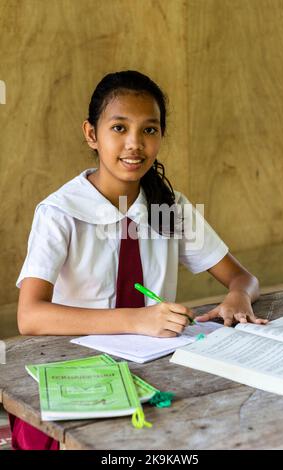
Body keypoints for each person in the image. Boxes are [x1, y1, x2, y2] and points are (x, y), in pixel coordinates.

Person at [11, 70, 267, 450]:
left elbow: (242, 278)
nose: (134, 144)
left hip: (157, 366)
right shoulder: (60, 213)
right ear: (91, 135)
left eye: (149, 130)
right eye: (119, 128)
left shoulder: (169, 207)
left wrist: (238, 297)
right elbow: (29, 316)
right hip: (78, 369)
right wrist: (137, 319)